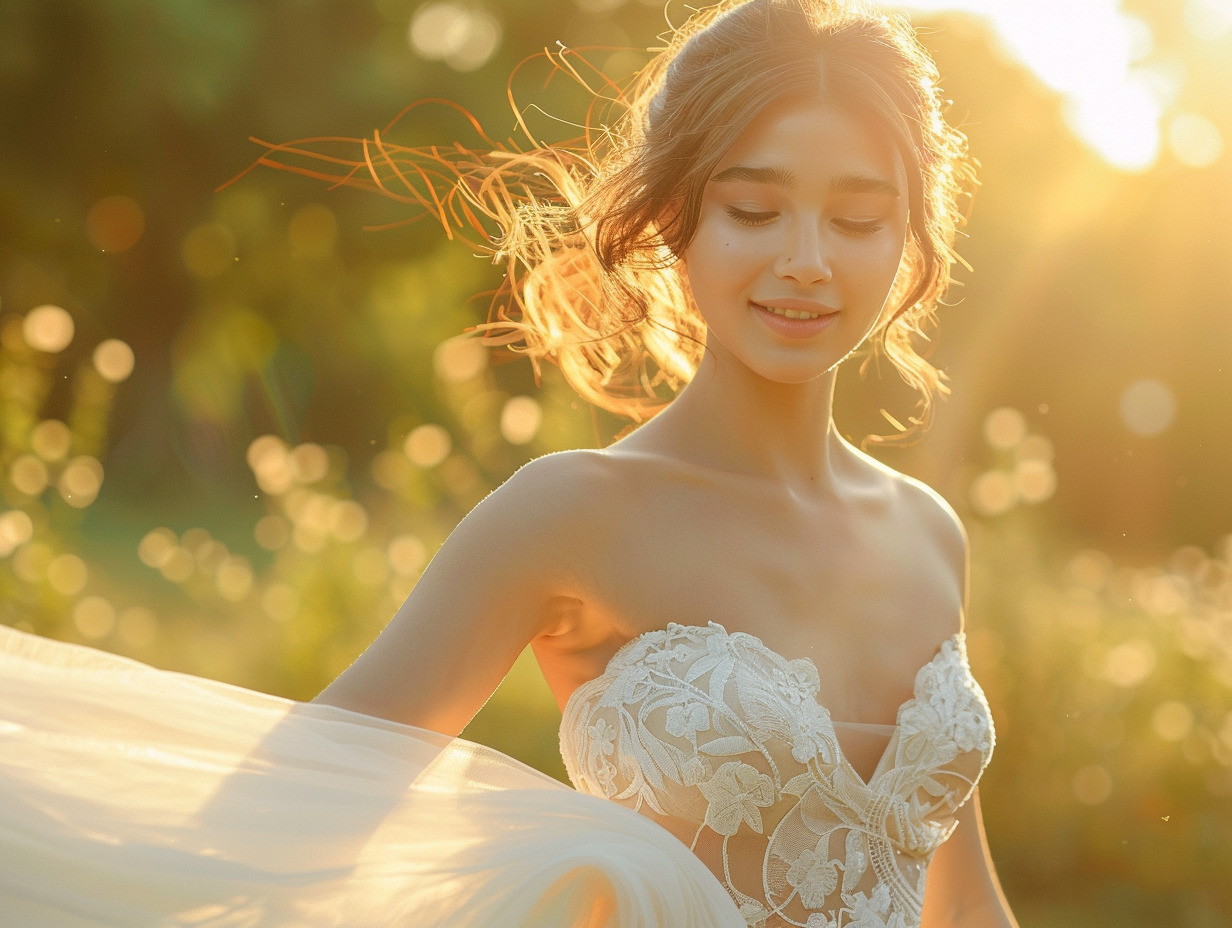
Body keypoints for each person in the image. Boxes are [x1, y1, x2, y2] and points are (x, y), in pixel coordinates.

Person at [0, 0, 1018, 926]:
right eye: (753, 209)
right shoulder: (573, 514)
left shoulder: (926, 532)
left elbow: (960, 904)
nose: (807, 258)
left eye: (854, 218)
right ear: (673, 218)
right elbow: (288, 808)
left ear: (910, 234)